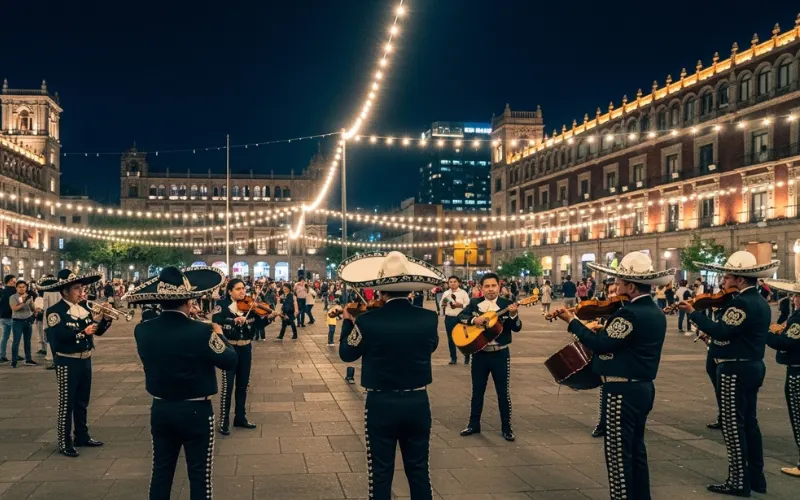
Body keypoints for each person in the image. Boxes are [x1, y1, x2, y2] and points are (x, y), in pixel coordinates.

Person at [552, 251, 673, 500]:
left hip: (622, 392)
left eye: (618, 282)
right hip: (642, 387)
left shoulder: (630, 313)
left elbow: (602, 344)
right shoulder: (655, 312)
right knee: (636, 449)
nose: (615, 285)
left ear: (630, 285)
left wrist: (573, 321)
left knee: (618, 454)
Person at [125, 266, 238, 499]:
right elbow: (229, 360)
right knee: (199, 474)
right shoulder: (201, 332)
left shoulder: (142, 331)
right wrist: (218, 333)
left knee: (161, 471)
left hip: (161, 407)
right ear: (188, 301)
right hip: (196, 410)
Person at [338, 251, 442, 500]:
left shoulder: (368, 321)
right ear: (410, 291)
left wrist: (347, 321)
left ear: (380, 292)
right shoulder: (429, 318)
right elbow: (431, 346)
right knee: (418, 470)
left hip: (381, 402)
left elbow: (346, 354)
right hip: (417, 401)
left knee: (381, 472)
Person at [677, 250, 778, 496]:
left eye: (727, 277)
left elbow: (721, 331)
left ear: (740, 280)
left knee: (734, 426)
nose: (724, 281)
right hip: (751, 364)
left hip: (736, 369)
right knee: (750, 424)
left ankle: (738, 481)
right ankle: (756, 478)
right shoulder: (759, 302)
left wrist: (693, 313)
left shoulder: (742, 302)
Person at [39, 269, 114, 457]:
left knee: (82, 401)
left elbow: (96, 331)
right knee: (67, 402)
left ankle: (82, 435)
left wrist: (105, 319)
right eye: (76, 288)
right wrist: (82, 332)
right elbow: (57, 338)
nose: (81, 292)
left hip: (85, 359)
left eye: (81, 288)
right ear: (65, 291)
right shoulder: (55, 311)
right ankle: (64, 441)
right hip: (67, 361)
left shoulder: (85, 308)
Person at [458, 272, 521, 441]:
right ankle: (473, 424)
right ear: (481, 288)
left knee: (503, 392)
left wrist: (514, 315)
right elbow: (460, 317)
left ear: (499, 286)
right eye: (487, 286)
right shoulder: (474, 303)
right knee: (477, 391)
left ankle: (507, 428)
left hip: (500, 354)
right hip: (479, 354)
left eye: (494, 286)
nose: (491, 289)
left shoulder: (507, 304)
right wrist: (473, 321)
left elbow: (517, 328)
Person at [764, 270, 800, 478]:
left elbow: (788, 343)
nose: (794, 299)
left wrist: (768, 335)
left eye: (797, 296)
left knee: (797, 416)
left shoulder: (798, 319)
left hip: (797, 372)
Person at [212, 279, 258, 435]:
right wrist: (233, 320)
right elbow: (215, 321)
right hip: (230, 349)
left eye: (243, 288)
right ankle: (224, 421)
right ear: (230, 291)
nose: (242, 291)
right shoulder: (222, 305)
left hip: (246, 348)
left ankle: (240, 417)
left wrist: (269, 316)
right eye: (238, 289)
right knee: (228, 386)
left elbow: (257, 324)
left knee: (243, 385)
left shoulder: (249, 305)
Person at [441, 276, 471, 365]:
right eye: (451, 282)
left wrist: (460, 305)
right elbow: (442, 305)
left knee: (464, 337)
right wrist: (444, 302)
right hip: (449, 318)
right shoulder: (446, 293)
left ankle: (467, 356)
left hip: (460, 318)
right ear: (448, 283)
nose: (453, 283)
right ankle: (453, 358)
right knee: (451, 339)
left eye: (455, 281)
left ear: (458, 283)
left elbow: (468, 305)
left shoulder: (463, 293)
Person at [9, 280, 37, 367]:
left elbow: (32, 309)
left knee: (27, 342)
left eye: (23, 287)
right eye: (20, 287)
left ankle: (28, 359)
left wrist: (32, 303)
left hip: (27, 321)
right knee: (16, 342)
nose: (22, 289)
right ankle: (14, 361)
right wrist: (24, 302)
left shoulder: (29, 297)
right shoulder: (13, 297)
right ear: (16, 288)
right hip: (17, 322)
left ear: (26, 288)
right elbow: (14, 308)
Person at [0, 274, 16, 363]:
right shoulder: (15, 291)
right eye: (14, 281)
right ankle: (15, 355)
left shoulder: (1, 291)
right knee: (15, 337)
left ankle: (2, 355)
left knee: (4, 337)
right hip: (12, 316)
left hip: (2, 317)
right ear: (10, 281)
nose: (15, 282)